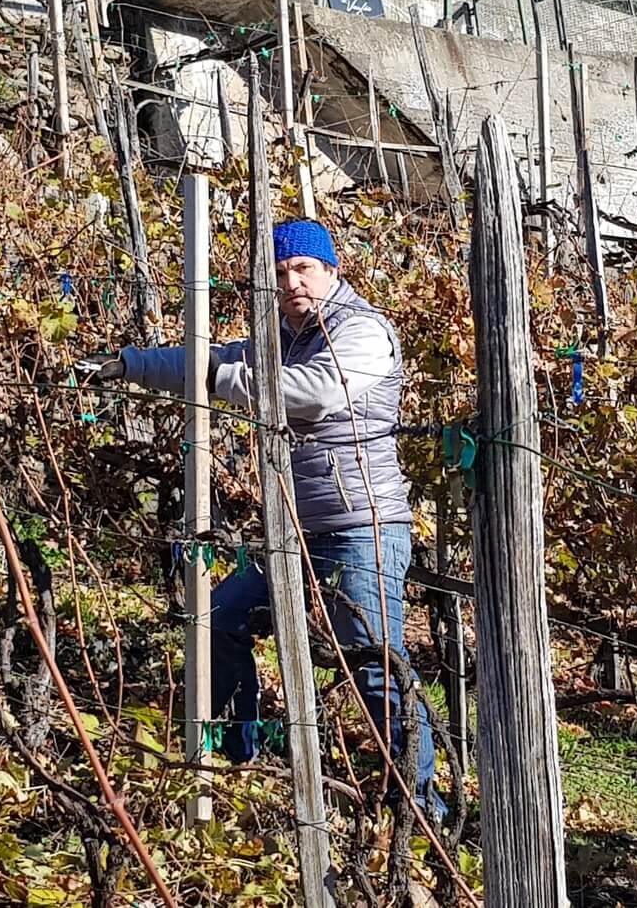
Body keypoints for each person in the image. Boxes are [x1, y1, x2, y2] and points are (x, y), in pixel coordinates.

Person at [84, 219, 443, 820]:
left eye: (302, 268)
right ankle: (233, 757)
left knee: (375, 668)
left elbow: (315, 392)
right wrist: (131, 365)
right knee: (219, 618)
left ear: (331, 270)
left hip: (362, 529)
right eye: (278, 274)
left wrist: (220, 379)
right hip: (293, 533)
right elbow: (212, 358)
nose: (292, 282)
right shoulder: (283, 335)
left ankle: (421, 809)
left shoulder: (365, 332)